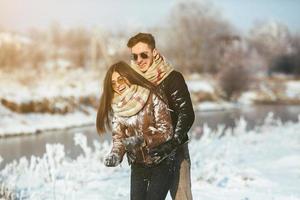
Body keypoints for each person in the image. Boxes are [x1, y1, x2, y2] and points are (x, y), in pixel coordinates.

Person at [127, 33, 195, 200]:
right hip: (145, 154)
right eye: (135, 56)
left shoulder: (172, 78)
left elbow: (187, 113)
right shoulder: (132, 81)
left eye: (144, 54)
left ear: (154, 52)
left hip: (175, 150)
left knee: (182, 197)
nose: (139, 60)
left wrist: (172, 144)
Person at [96, 61, 175, 200]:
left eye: (120, 79)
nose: (117, 85)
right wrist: (115, 155)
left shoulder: (152, 95)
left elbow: (166, 130)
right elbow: (119, 140)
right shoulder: (118, 107)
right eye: (113, 83)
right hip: (138, 166)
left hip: (161, 161)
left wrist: (142, 140)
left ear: (129, 76)